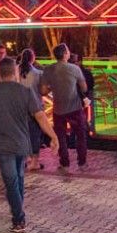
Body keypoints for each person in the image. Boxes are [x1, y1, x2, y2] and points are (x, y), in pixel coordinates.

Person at [0, 57, 59, 233]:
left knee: (12, 181)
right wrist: (53, 136)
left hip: (2, 144)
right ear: (15, 72)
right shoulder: (25, 91)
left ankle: (18, 218)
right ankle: (18, 212)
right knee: (18, 178)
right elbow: (40, 116)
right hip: (22, 142)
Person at [40, 43, 88, 172]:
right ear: (66, 54)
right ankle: (82, 161)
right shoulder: (75, 69)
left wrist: (53, 87)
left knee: (60, 136)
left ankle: (65, 162)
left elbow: (43, 91)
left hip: (58, 109)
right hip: (75, 107)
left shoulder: (48, 69)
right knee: (80, 134)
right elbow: (84, 87)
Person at [19, 48, 45, 171]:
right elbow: (42, 91)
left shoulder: (15, 71)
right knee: (34, 135)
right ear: (32, 58)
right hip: (35, 107)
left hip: (19, 107)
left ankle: (25, 158)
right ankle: (34, 162)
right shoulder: (37, 73)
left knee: (22, 133)